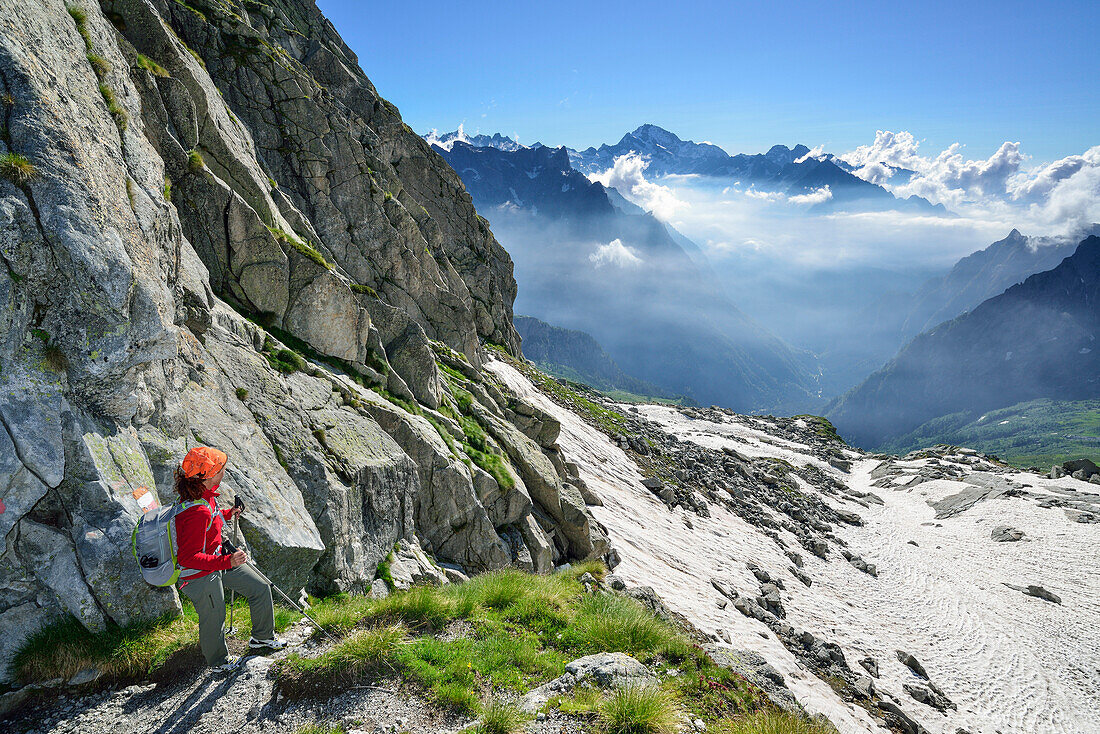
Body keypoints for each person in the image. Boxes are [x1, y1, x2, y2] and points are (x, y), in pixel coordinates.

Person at [174, 446, 286, 673]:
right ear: (209, 474)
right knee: (214, 616)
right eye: (221, 468)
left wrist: (228, 513)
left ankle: (262, 638)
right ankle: (218, 662)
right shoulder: (197, 511)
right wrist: (228, 562)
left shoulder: (206, 498)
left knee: (260, 587)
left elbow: (211, 519)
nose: (224, 471)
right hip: (198, 575)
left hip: (217, 562)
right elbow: (188, 557)